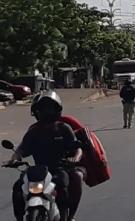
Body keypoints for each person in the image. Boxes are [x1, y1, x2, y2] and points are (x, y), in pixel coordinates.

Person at [6, 91, 84, 221]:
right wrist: (14, 158)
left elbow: (77, 149)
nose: (46, 111)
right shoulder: (34, 130)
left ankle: (66, 216)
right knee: (18, 187)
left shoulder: (64, 128)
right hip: (38, 170)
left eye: (50, 108)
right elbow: (21, 149)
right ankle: (19, 218)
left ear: (57, 109)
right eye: (42, 109)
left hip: (59, 168)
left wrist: (75, 158)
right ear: (37, 111)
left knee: (63, 183)